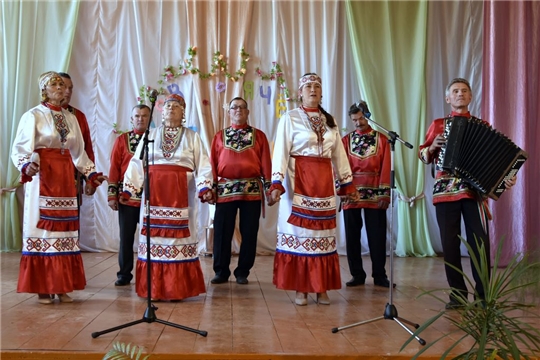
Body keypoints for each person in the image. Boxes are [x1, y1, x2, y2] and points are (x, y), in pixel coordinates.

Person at [418, 78, 517, 309]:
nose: (460, 94)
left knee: (479, 244)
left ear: (471, 97)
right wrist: (432, 147)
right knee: (449, 245)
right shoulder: (438, 124)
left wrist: (505, 179)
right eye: (455, 91)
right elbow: (423, 155)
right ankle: (458, 295)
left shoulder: (482, 125)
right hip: (444, 192)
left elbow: (495, 159)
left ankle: (483, 296)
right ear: (448, 98)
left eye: (464, 91)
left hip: (473, 192)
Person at [10, 71, 107, 304]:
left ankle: (62, 285)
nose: (64, 90)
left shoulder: (71, 118)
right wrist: (26, 166)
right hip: (43, 177)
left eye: (65, 87)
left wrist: (91, 174)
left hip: (64, 179)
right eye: (57, 86)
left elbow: (78, 152)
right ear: (45, 90)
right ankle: (43, 287)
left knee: (66, 232)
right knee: (44, 230)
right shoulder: (33, 115)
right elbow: (20, 148)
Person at [269, 73, 359, 306]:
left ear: (321, 92)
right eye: (308, 86)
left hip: (324, 184)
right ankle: (302, 288)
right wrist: (277, 183)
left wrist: (347, 183)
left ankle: (321, 288)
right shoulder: (290, 118)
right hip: (296, 182)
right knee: (300, 236)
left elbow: (338, 152)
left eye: (317, 86)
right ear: (300, 92)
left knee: (324, 236)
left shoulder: (330, 120)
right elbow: (280, 151)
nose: (313, 90)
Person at [122, 93, 214, 301]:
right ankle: (153, 289)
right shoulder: (151, 134)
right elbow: (137, 162)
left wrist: (204, 186)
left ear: (183, 112)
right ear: (161, 111)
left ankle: (176, 289)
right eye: (168, 105)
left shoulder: (192, 137)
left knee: (176, 241)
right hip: (154, 194)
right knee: (154, 241)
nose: (171, 108)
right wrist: (130, 188)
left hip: (183, 194)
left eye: (177, 106)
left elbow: (203, 164)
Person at [209, 97, 274, 285]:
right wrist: (211, 187)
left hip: (251, 189)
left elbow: (266, 163)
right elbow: (212, 163)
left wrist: (270, 188)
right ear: (229, 112)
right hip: (224, 189)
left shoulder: (259, 136)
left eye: (242, 107)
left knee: (249, 231)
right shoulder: (219, 136)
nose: (238, 110)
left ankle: (242, 271)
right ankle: (221, 271)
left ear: (248, 112)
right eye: (234, 107)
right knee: (222, 231)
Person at [341, 101, 393, 288]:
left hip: (375, 191)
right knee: (352, 236)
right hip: (351, 192)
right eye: (354, 119)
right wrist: (343, 190)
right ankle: (357, 274)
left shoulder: (382, 140)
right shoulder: (345, 141)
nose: (357, 123)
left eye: (361, 118)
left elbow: (386, 167)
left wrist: (384, 194)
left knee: (377, 236)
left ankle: (380, 275)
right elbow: (340, 167)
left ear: (368, 116)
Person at [108, 104, 151, 286]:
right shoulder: (122, 140)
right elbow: (114, 168)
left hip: (150, 197)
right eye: (137, 116)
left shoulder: (156, 139)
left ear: (150, 118)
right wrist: (112, 195)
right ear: (131, 119)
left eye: (144, 116)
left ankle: (151, 273)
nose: (140, 119)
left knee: (151, 237)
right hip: (127, 197)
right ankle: (124, 274)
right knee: (126, 237)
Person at [58, 72, 96, 198]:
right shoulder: (39, 115)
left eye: (71, 88)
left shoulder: (77, 116)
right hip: (46, 178)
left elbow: (87, 149)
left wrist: (90, 180)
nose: (68, 91)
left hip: (73, 178)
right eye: (64, 87)